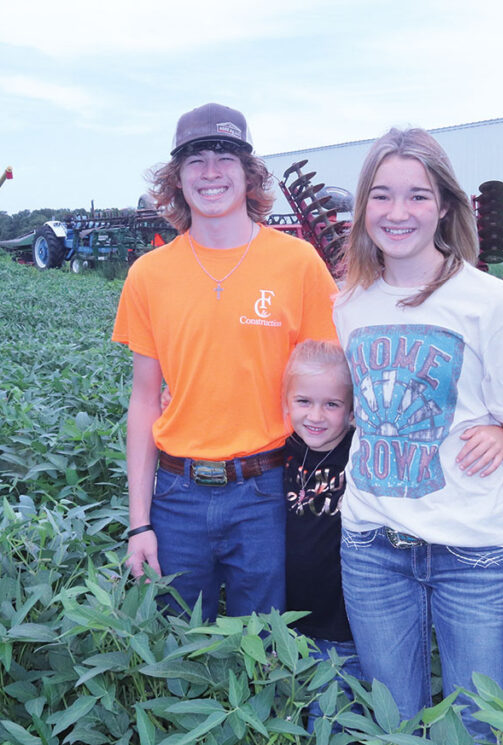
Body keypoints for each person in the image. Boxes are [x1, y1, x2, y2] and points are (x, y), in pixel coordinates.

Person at [333, 128, 503, 742]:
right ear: (363, 208)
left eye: (417, 196)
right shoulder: (348, 301)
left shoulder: (493, 304)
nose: (397, 213)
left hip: (476, 556)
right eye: (381, 196)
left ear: (445, 206)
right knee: (391, 727)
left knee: (476, 729)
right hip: (373, 548)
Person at [111, 102, 338, 621]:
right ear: (177, 179)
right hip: (175, 497)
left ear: (249, 174)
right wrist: (139, 523)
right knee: (178, 651)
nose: (210, 172)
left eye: (225, 157)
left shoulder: (297, 263)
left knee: (267, 652)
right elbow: (145, 399)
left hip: (267, 491)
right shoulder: (149, 274)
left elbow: (334, 378)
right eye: (195, 160)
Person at [281, 338, 503, 730]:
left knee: (358, 721)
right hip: (297, 629)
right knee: (316, 723)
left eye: (332, 405)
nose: (316, 415)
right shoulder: (281, 452)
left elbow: (430, 440)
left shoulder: (362, 449)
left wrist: (500, 433)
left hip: (355, 630)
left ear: (354, 413)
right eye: (303, 402)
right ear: (286, 404)